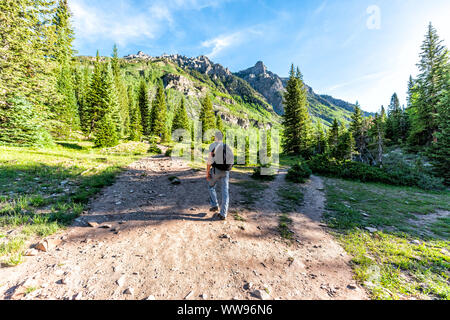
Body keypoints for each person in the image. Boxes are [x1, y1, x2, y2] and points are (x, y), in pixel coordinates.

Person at [206, 131, 233, 220]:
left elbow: (209, 161)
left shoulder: (213, 146)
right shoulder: (227, 146)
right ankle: (223, 214)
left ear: (215, 138)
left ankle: (215, 205)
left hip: (216, 171)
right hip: (226, 172)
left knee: (211, 187)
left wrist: (207, 174)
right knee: (225, 192)